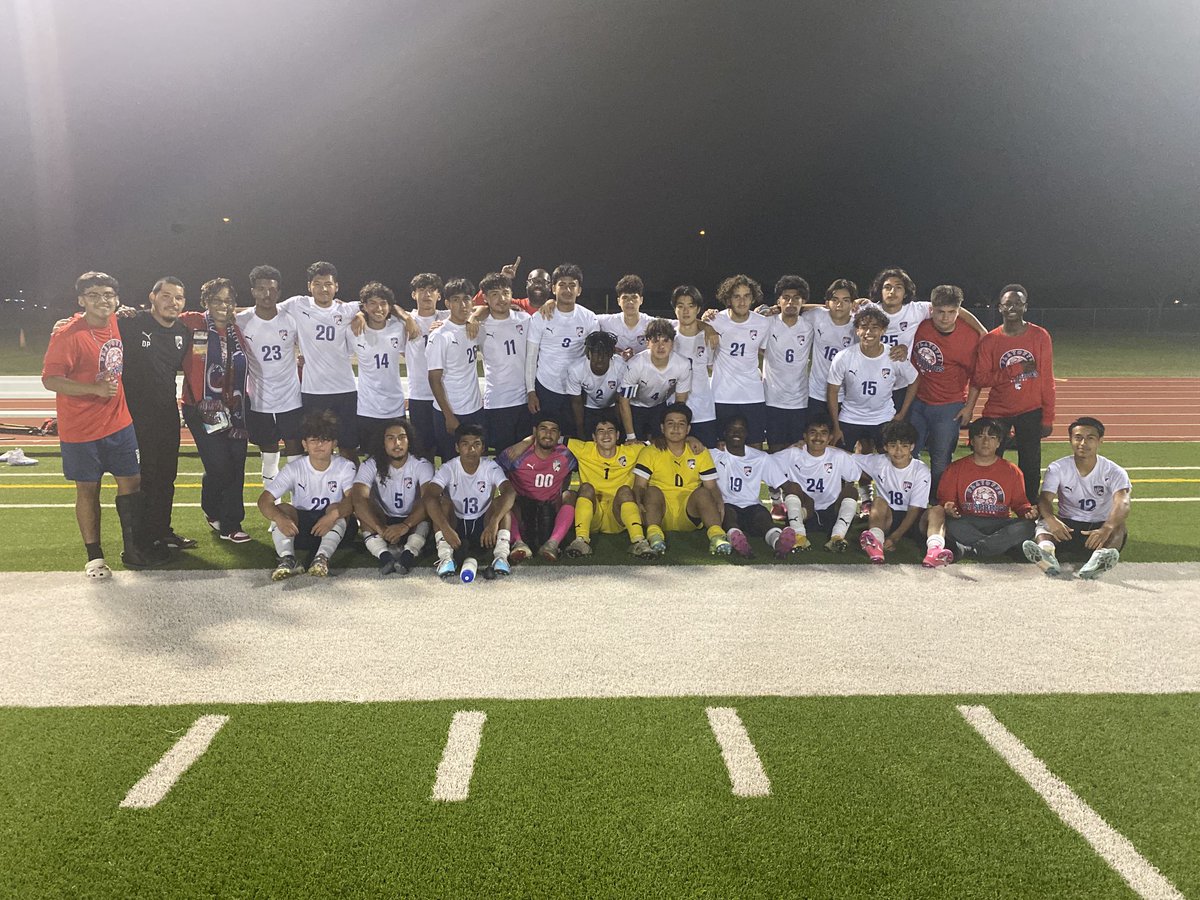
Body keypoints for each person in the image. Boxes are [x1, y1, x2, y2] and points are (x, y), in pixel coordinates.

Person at [42, 271, 166, 576]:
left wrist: (124, 311)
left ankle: (133, 549)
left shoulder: (114, 320)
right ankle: (94, 556)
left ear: (117, 299)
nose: (103, 301)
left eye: (108, 295)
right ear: (82, 300)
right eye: (94, 295)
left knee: (131, 483)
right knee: (88, 490)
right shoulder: (67, 335)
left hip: (119, 423)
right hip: (80, 430)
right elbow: (50, 380)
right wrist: (93, 389)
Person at [116, 276, 192, 552]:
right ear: (152, 297)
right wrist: (66, 322)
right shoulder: (130, 322)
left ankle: (162, 531)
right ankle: (140, 540)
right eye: (166, 296)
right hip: (136, 416)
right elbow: (96, 321)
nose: (173, 303)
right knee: (143, 477)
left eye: (179, 298)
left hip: (167, 415)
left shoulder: (183, 331)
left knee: (166, 476)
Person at [969, 284, 1056, 506]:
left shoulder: (1040, 336)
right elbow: (980, 379)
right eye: (1008, 303)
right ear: (1000, 307)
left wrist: (1047, 417)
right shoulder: (990, 340)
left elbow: (1047, 379)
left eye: (1018, 303)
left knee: (1030, 462)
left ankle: (1028, 506)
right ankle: (991, 501)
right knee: (990, 458)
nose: (1013, 307)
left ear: (1025, 306)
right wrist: (1015, 369)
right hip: (998, 411)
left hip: (1030, 409)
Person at [179, 278, 252, 543]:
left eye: (228, 301)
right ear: (206, 302)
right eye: (217, 300)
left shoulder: (238, 328)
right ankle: (211, 507)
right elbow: (156, 318)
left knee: (237, 465)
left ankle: (231, 524)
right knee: (220, 467)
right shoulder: (192, 322)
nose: (223, 306)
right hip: (202, 407)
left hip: (235, 410)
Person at [1023, 416, 1131, 580]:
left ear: (1100, 441)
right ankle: (1047, 554)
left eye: (1090, 438)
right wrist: (1052, 519)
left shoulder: (1114, 471)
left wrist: (1106, 528)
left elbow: (1123, 502)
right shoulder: (1058, 467)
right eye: (1078, 437)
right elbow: (1045, 499)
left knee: (1119, 527)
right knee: (1043, 521)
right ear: (1070, 439)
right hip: (1067, 528)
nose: (1083, 443)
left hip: (1098, 529)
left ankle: (1098, 561)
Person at [869, 266, 987, 414]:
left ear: (905, 292)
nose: (892, 292)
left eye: (898, 287)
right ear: (880, 289)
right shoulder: (867, 309)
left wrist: (981, 330)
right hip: (870, 381)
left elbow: (954, 308)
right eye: (887, 287)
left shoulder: (917, 310)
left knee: (898, 432)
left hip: (901, 385)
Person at [258, 410, 357, 579]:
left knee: (336, 507)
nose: (319, 445)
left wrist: (332, 516)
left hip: (336, 528)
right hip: (302, 529)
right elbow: (264, 501)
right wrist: (280, 518)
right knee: (282, 509)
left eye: (325, 440)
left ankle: (322, 558)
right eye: (313, 440)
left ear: (334, 443)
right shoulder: (294, 468)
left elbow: (353, 500)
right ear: (304, 444)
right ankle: (288, 559)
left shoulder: (345, 466)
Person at [279, 262, 361, 458]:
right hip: (313, 392)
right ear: (309, 286)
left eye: (328, 284)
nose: (323, 288)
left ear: (336, 287)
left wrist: (360, 314)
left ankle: (351, 489)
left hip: (345, 390)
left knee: (348, 448)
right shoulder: (298, 304)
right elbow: (264, 312)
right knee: (317, 448)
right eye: (317, 283)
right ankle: (317, 488)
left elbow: (382, 305)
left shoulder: (348, 309)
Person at [908, 284, 981, 497]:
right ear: (932, 309)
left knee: (941, 459)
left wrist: (969, 408)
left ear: (959, 312)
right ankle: (912, 497)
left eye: (951, 312)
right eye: (940, 312)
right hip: (918, 401)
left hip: (949, 406)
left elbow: (977, 377)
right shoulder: (920, 325)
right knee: (909, 453)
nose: (945, 317)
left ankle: (937, 500)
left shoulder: (969, 338)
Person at [422, 422, 517, 581]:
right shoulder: (448, 468)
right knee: (442, 503)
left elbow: (510, 492)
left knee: (503, 506)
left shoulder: (490, 466)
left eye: (476, 444)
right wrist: (446, 529)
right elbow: (429, 496)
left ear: (483, 448)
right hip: (456, 523)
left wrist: (494, 521)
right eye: (465, 444)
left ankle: (501, 557)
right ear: (457, 447)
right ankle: (445, 558)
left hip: (483, 522)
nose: (471, 449)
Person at [634, 403, 731, 556]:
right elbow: (639, 485)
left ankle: (717, 537)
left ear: (688, 429)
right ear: (662, 428)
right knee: (651, 491)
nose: (676, 428)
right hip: (659, 511)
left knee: (704, 493)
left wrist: (719, 502)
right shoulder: (650, 452)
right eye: (670, 423)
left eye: (681, 424)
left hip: (689, 513)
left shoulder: (699, 451)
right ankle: (654, 536)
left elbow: (711, 487)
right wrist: (638, 503)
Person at [855, 420, 953, 567]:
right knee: (878, 501)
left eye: (904, 446)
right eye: (893, 446)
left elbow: (915, 509)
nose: (898, 451)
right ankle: (876, 543)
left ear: (912, 447)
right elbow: (846, 457)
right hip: (888, 517)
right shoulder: (878, 462)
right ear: (886, 447)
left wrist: (895, 538)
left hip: (914, 519)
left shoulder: (921, 470)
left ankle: (935, 550)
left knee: (937, 510)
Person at [236, 265, 303, 480]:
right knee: (268, 449)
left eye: (272, 289)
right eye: (261, 289)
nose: (267, 294)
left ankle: (297, 499)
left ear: (279, 293)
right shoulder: (241, 320)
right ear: (253, 291)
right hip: (259, 398)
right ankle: (272, 501)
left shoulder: (291, 318)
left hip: (291, 397)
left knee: (294, 447)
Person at [937, 417, 1037, 558]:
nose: (985, 442)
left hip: (999, 523)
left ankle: (972, 550)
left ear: (998, 443)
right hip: (968, 521)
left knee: (1028, 526)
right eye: (980, 436)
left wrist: (1027, 512)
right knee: (949, 524)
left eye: (991, 437)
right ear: (971, 441)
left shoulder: (1012, 471)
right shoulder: (955, 469)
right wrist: (949, 509)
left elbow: (1020, 504)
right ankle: (1003, 547)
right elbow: (946, 501)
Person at [827, 304, 918, 453]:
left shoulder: (893, 355)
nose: (869, 332)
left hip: (883, 418)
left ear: (883, 330)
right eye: (864, 327)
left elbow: (914, 380)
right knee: (839, 462)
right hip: (850, 416)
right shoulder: (843, 357)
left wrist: (902, 413)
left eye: (875, 327)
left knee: (888, 462)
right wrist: (836, 427)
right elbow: (832, 391)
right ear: (857, 330)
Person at [563, 414, 653, 558]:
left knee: (625, 490)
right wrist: (525, 442)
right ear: (593, 436)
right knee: (585, 487)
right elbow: (551, 437)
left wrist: (690, 439)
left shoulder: (630, 451)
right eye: (600, 431)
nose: (606, 435)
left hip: (617, 514)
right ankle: (581, 541)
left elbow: (657, 443)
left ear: (617, 435)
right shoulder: (584, 448)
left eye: (610, 430)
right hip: (593, 513)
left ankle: (639, 542)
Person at [352, 419, 434, 576]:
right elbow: (358, 499)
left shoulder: (421, 464)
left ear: (409, 441)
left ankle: (408, 556)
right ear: (382, 442)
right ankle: (384, 556)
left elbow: (429, 499)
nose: (397, 443)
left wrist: (405, 525)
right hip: (383, 519)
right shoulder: (371, 464)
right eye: (390, 438)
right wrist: (380, 528)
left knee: (427, 504)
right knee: (364, 509)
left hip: (412, 520)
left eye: (402, 437)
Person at [525, 263, 598, 437]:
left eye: (572, 285)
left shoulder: (589, 318)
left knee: (575, 437)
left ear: (579, 290)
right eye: (562, 285)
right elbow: (531, 357)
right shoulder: (540, 317)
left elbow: (594, 355)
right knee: (545, 439)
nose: (567, 290)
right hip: (546, 387)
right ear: (553, 288)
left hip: (576, 390)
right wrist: (531, 391)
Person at [771, 414, 862, 552]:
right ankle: (798, 535)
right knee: (793, 487)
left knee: (851, 491)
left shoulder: (837, 456)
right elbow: (765, 463)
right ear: (805, 436)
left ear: (830, 437)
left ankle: (837, 537)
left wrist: (837, 449)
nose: (818, 438)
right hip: (805, 511)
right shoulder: (793, 453)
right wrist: (783, 484)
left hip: (831, 511)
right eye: (813, 433)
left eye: (823, 433)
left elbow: (856, 471)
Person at [710, 417, 797, 558]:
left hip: (752, 505)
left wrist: (799, 502)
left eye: (741, 429)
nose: (736, 433)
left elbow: (784, 484)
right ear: (725, 433)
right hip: (726, 504)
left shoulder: (760, 458)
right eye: (732, 429)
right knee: (728, 514)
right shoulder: (713, 455)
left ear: (746, 433)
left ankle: (778, 542)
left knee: (762, 517)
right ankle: (736, 538)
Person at [498, 418, 578, 561]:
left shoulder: (566, 455)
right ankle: (518, 543)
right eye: (544, 429)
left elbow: (570, 472)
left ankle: (552, 544)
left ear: (559, 435)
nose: (548, 434)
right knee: (503, 500)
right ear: (535, 431)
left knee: (570, 495)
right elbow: (494, 471)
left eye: (553, 430)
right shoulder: (517, 454)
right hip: (522, 508)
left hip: (550, 508)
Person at [426, 278, 486, 461]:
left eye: (467, 299)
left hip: (474, 408)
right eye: (456, 299)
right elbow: (434, 380)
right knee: (451, 463)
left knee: (477, 461)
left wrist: (475, 317)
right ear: (447, 303)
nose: (463, 304)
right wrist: (448, 415)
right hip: (451, 411)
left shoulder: (475, 329)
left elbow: (489, 308)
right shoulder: (440, 336)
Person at [708, 274, 771, 445]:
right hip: (722, 394)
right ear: (728, 298)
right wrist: (706, 324)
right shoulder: (715, 320)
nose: (742, 302)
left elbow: (764, 351)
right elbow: (695, 323)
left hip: (752, 395)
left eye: (746, 296)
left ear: (753, 298)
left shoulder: (763, 323)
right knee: (721, 446)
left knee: (755, 443)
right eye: (737, 296)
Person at [477, 272, 533, 454]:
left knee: (525, 459)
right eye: (494, 294)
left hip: (525, 401)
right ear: (485, 298)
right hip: (497, 402)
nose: (501, 298)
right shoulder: (479, 325)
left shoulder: (525, 320)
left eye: (505, 292)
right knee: (503, 458)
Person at [351, 281, 408, 455]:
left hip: (395, 407)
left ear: (390, 306)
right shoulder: (354, 329)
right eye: (373, 303)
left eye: (383, 303)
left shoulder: (399, 328)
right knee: (371, 460)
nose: (379, 308)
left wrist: (409, 318)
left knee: (398, 458)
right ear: (365, 307)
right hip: (368, 408)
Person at [763, 275, 816, 452]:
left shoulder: (809, 325)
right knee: (775, 449)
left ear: (804, 301)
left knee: (798, 450)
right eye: (786, 298)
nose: (791, 302)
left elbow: (828, 310)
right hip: (772, 399)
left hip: (799, 400)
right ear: (778, 300)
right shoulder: (768, 323)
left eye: (796, 298)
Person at [617, 318, 691, 440]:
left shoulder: (683, 364)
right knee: (633, 446)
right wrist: (631, 436)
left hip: (659, 406)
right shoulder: (636, 364)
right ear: (647, 343)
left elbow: (680, 403)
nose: (661, 346)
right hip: (635, 407)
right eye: (655, 341)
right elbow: (624, 401)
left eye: (666, 341)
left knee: (663, 445)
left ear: (672, 342)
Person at [402, 273, 449, 457]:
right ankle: (425, 487)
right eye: (421, 290)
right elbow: (389, 307)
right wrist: (406, 319)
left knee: (447, 450)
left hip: (445, 396)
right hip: (419, 396)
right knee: (422, 453)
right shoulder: (405, 320)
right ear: (414, 295)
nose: (427, 295)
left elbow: (477, 308)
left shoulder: (448, 317)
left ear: (439, 295)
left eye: (431, 290)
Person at [670, 285, 719, 447]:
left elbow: (714, 367)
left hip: (704, 413)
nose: (686, 311)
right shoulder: (668, 338)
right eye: (680, 306)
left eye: (691, 306)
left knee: (707, 462)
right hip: (674, 412)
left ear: (698, 309)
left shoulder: (708, 337)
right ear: (674, 309)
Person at [806, 279, 857, 427]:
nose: (839, 304)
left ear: (852, 304)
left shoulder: (858, 326)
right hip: (815, 393)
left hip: (844, 396)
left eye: (845, 300)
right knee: (813, 439)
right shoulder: (817, 316)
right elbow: (796, 311)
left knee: (839, 442)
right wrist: (776, 308)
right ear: (828, 303)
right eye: (835, 300)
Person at [566, 330, 627, 440]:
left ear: (611, 354)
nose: (599, 359)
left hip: (612, 407)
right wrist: (580, 430)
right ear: (588, 353)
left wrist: (619, 426)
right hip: (588, 408)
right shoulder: (576, 369)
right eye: (595, 354)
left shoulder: (621, 366)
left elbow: (620, 401)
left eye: (604, 354)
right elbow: (577, 403)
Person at [597, 274, 652, 358]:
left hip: (642, 370)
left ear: (641, 300)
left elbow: (676, 325)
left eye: (634, 297)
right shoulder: (607, 321)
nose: (630, 301)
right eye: (625, 297)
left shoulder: (651, 324)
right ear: (619, 301)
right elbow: (584, 318)